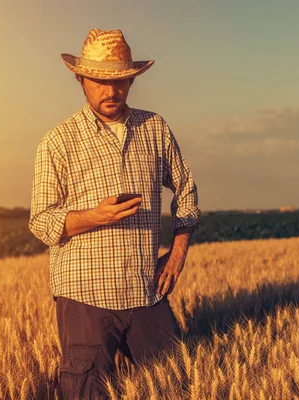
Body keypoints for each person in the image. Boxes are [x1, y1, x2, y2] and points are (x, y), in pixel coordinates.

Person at [28, 28, 200, 399]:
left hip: (145, 289)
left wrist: (178, 252)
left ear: (131, 80)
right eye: (99, 81)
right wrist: (94, 217)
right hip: (85, 297)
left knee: (174, 386)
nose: (111, 91)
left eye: (121, 81)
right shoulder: (58, 141)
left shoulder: (155, 128)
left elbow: (186, 191)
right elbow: (41, 221)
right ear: (80, 79)